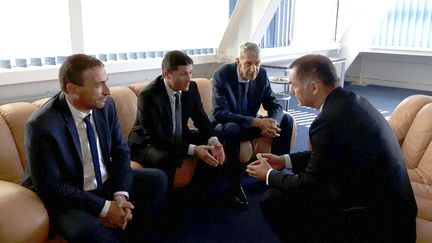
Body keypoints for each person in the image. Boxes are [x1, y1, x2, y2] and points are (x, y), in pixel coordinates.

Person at [246, 54, 418, 242]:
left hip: (379, 222)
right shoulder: (350, 101)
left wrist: (269, 174)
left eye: (294, 85)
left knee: (273, 199)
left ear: (313, 87)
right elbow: (327, 153)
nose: (293, 92)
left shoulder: (328, 120)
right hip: (395, 208)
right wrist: (283, 160)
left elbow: (310, 186)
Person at [22, 54, 167, 243]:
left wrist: (120, 195)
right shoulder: (42, 124)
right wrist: (105, 207)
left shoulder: (106, 106)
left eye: (106, 82)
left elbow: (121, 151)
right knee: (91, 233)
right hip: (69, 197)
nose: (107, 91)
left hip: (104, 182)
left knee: (157, 179)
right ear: (72, 89)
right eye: (99, 85)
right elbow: (53, 187)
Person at [128, 50, 225, 227]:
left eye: (190, 73)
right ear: (167, 74)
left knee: (218, 144)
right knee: (167, 157)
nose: (189, 78)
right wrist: (194, 149)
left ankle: (195, 198)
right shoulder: (149, 95)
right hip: (147, 143)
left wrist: (213, 141)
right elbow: (158, 138)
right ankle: (166, 210)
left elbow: (202, 119)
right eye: (183, 74)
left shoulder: (191, 88)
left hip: (178, 136)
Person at [211, 42, 294, 207]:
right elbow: (219, 113)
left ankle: (277, 174)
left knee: (287, 120)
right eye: (248, 63)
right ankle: (235, 185)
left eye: (257, 63)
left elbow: (274, 105)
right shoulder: (222, 74)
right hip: (226, 125)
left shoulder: (262, 75)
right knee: (232, 129)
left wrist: (273, 124)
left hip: (250, 124)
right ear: (238, 61)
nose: (253, 69)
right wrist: (257, 122)